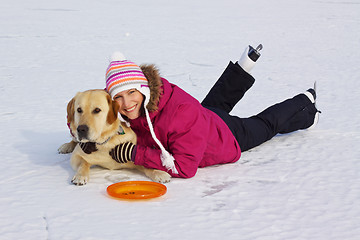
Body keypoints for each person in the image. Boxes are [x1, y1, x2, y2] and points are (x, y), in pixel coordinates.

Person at [105, 45, 320, 178]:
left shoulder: (180, 115)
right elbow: (86, 112)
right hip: (202, 120)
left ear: (143, 88)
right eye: (118, 97)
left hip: (226, 136)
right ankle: (242, 68)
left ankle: (305, 104)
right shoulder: (146, 103)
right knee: (211, 107)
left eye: (131, 92)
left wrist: (136, 154)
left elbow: (185, 167)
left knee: (265, 125)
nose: (126, 103)